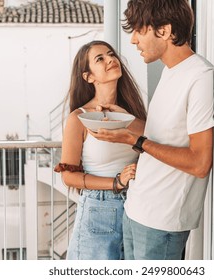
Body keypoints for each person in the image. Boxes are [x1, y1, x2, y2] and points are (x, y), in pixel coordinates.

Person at [89, 0, 214, 260]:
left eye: (139, 30)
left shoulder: (199, 76)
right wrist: (124, 121)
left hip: (163, 220)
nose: (133, 40)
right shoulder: (170, 71)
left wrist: (135, 140)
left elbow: (200, 162)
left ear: (165, 31)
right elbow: (159, 134)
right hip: (137, 207)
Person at [54, 40, 147, 260]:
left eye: (111, 54)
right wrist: (116, 182)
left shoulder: (133, 113)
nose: (110, 60)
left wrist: (126, 117)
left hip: (135, 206)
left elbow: (154, 139)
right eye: (100, 59)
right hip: (99, 207)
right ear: (88, 77)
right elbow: (68, 176)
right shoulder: (79, 118)